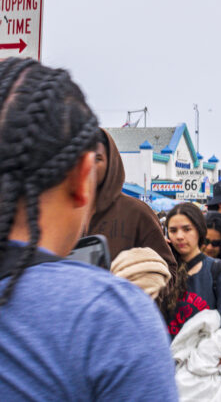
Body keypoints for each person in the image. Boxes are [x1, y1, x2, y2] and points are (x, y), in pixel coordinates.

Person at [0, 58, 177, 401]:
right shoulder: (111, 318)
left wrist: (156, 280)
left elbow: (170, 270)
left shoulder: (137, 213)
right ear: (83, 177)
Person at [165, 203, 221, 378]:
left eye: (186, 229)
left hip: (205, 371)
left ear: (199, 231)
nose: (180, 236)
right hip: (168, 368)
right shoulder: (162, 269)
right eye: (173, 231)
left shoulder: (217, 270)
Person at [88, 128, 176, 268]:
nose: (89, 165)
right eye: (82, 158)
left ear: (111, 163)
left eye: (97, 159)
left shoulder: (137, 212)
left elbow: (168, 271)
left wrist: (137, 282)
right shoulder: (65, 214)